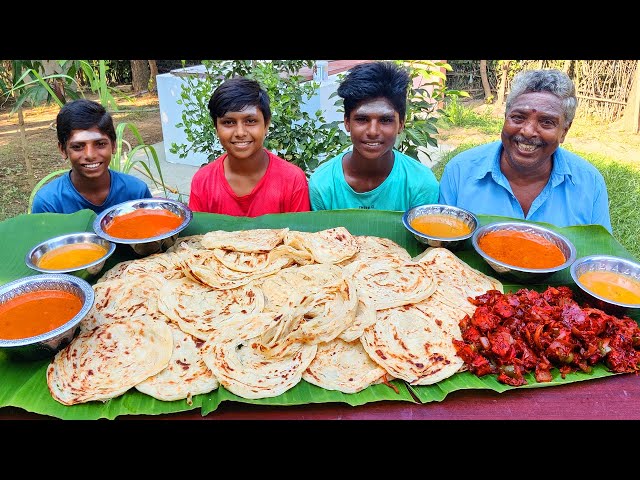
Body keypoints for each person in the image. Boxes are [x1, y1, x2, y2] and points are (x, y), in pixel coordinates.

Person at [438, 68, 612, 232]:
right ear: (505, 118)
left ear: (564, 132)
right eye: (518, 117)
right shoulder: (460, 172)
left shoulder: (590, 184)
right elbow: (441, 249)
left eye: (546, 122)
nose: (528, 131)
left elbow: (597, 256)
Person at [308, 61, 439, 212]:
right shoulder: (323, 185)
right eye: (362, 119)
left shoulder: (421, 184)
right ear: (347, 122)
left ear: (401, 124)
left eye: (386, 120)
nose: (373, 131)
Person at [188, 77, 310, 216]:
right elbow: (196, 238)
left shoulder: (292, 180)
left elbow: (298, 236)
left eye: (250, 121)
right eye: (228, 122)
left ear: (266, 125)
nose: (240, 132)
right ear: (216, 128)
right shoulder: (203, 182)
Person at [31, 99, 152, 214]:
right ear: (63, 150)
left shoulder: (136, 192)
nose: (90, 155)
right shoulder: (49, 203)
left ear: (114, 145)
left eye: (100, 144)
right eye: (78, 146)